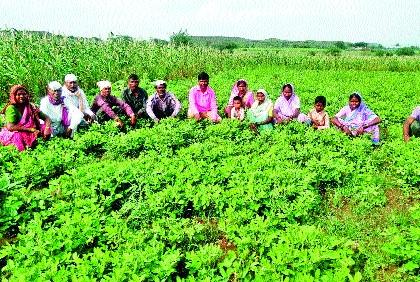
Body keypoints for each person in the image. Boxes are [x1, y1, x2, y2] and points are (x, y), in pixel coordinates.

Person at [0, 85, 51, 151]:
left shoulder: (31, 106)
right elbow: (10, 127)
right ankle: (23, 150)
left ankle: (43, 144)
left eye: (24, 94)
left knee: (44, 128)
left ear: (27, 95)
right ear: (14, 96)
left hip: (32, 130)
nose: (22, 96)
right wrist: (31, 130)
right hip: (17, 131)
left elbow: (47, 118)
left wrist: (47, 128)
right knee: (17, 136)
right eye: (18, 94)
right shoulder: (11, 108)